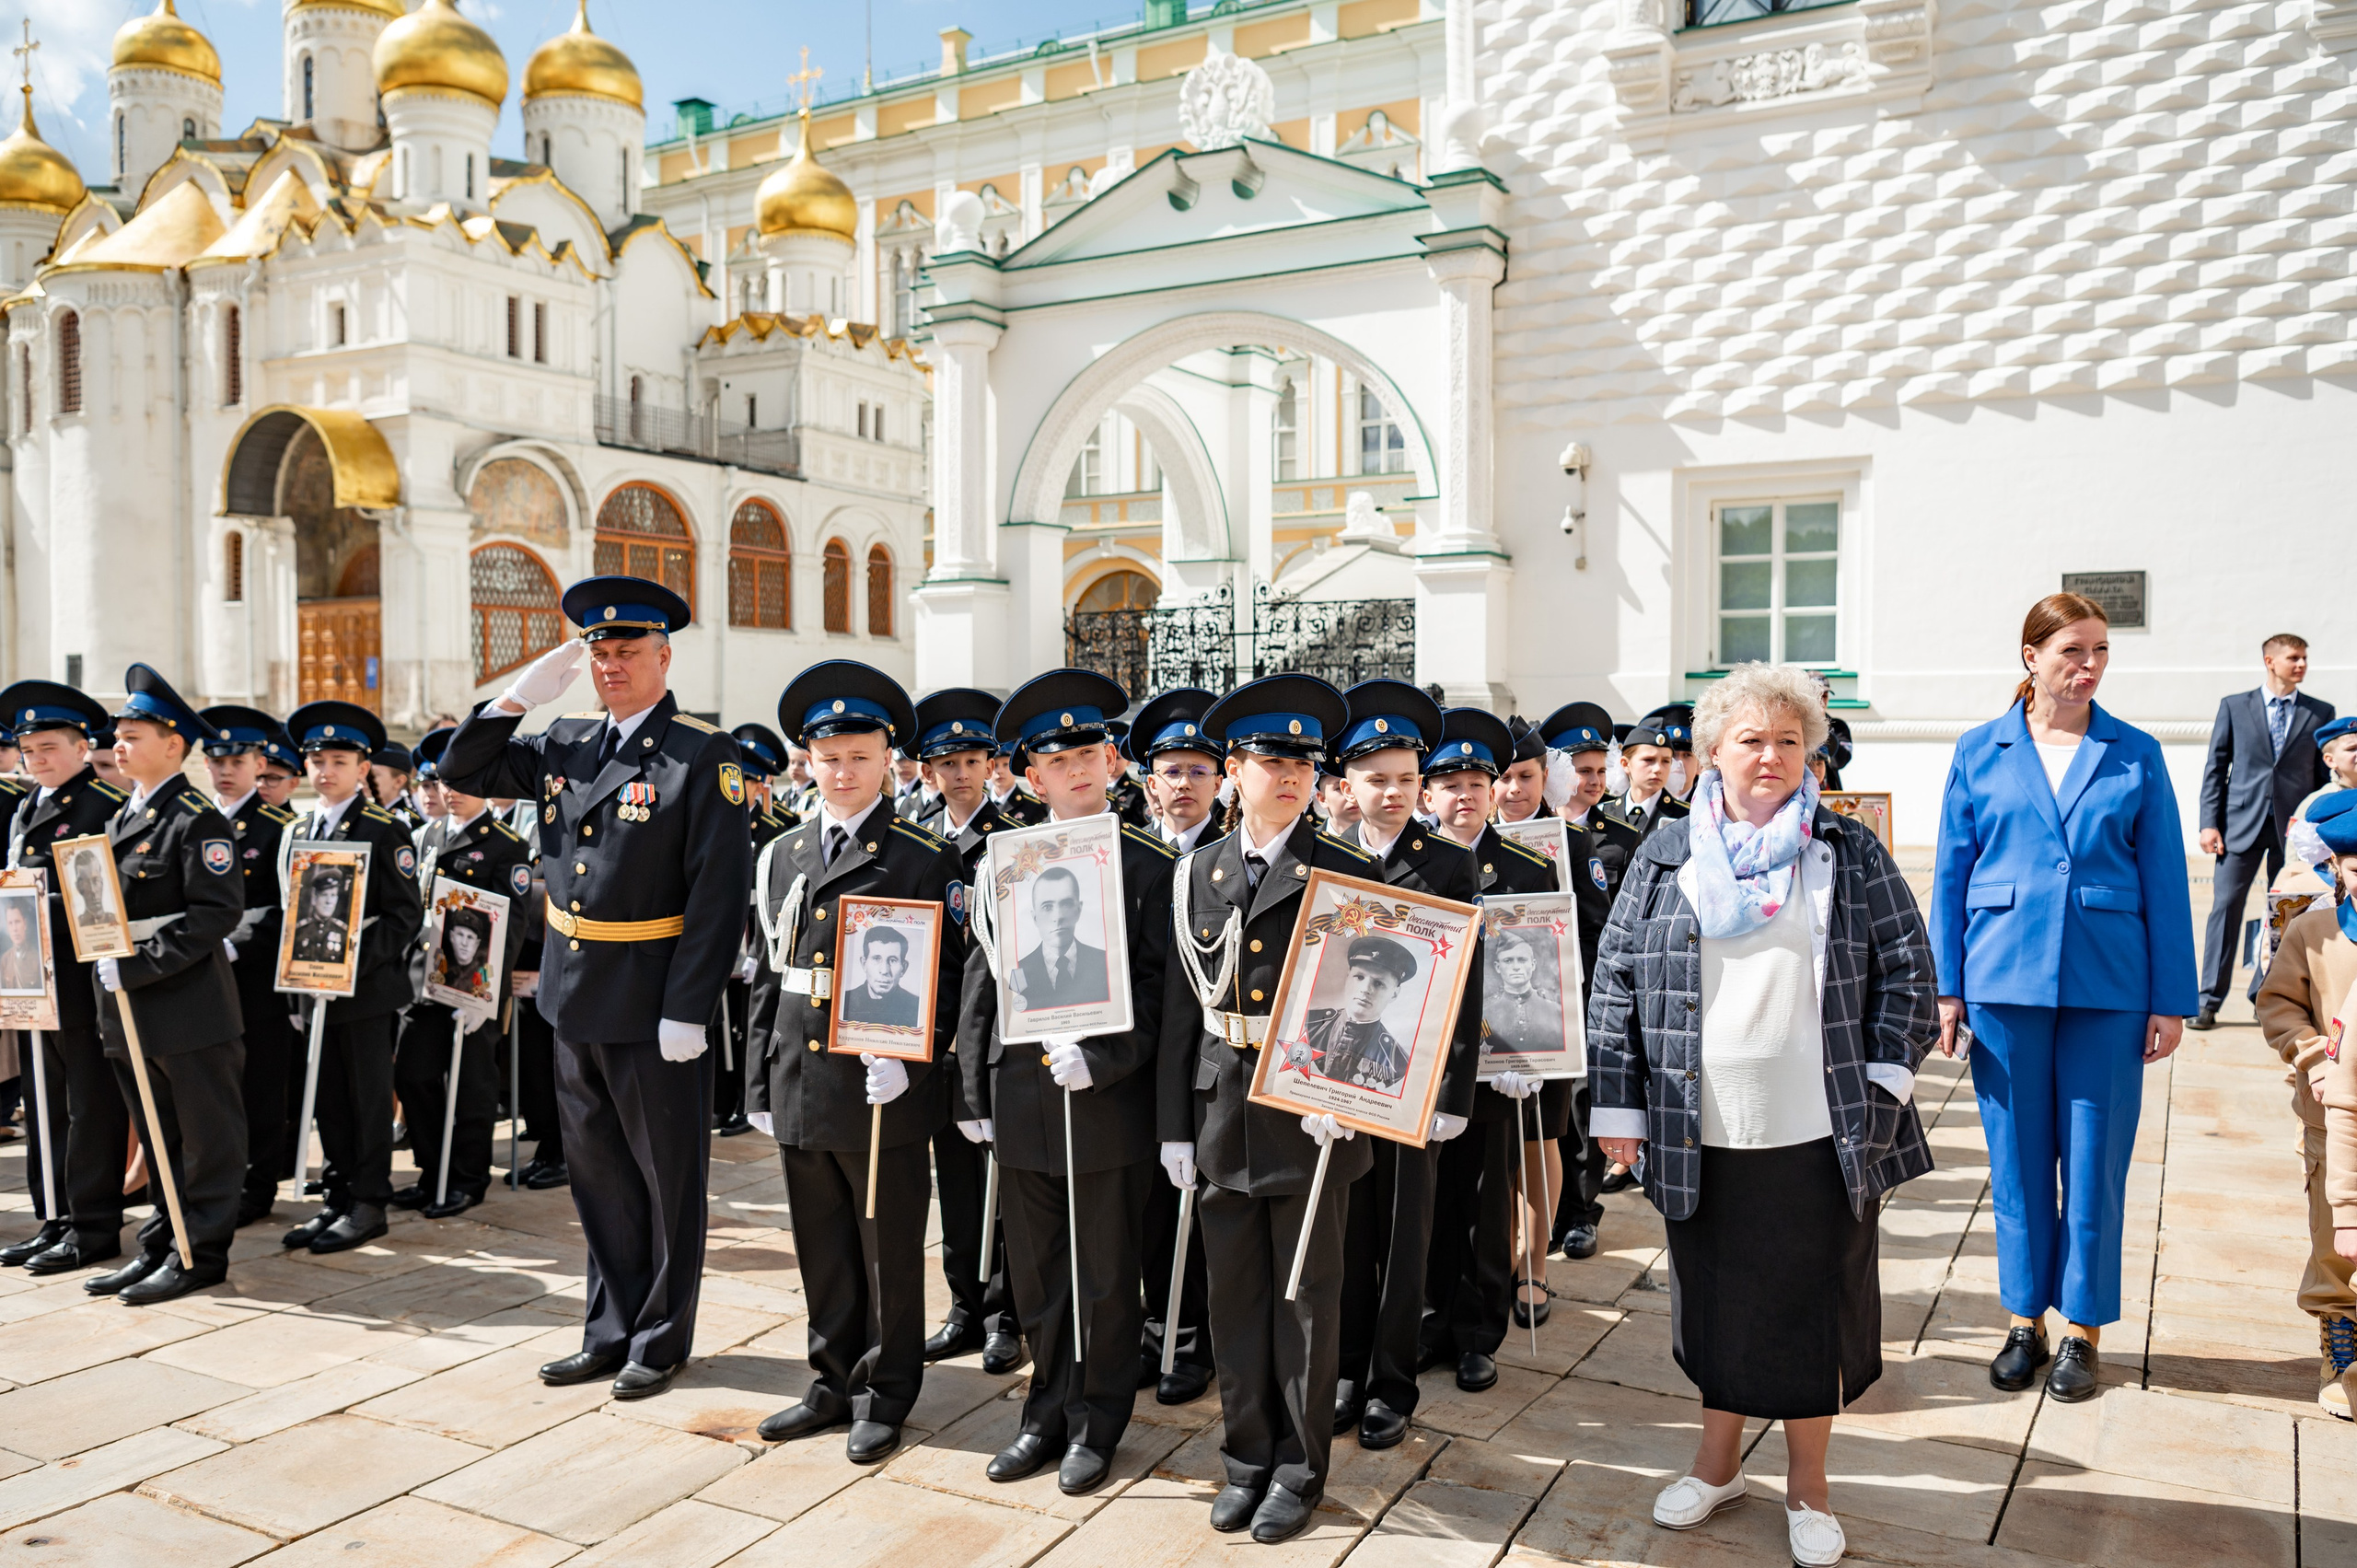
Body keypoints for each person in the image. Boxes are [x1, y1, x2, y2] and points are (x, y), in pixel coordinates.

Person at [1591, 661, 1937, 1568]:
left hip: (1820, 1129)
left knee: (1811, 1309)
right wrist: (1618, 1107)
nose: (1772, 755)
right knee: (1712, 1303)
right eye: (1751, 738)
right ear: (1710, 752)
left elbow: (1908, 969)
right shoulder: (1663, 856)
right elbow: (1616, 984)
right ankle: (1715, 1465)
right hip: (1697, 1126)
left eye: (1791, 739)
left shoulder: (1847, 849)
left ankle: (1808, 1487)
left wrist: (1881, 1087)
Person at [442, 575, 753, 1401]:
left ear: (663, 655)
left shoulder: (700, 752)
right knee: (599, 1175)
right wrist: (516, 697)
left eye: (626, 652)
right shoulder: (565, 739)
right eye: (597, 652)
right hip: (573, 993)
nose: (610, 665)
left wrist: (690, 1007)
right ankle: (607, 1328)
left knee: (665, 1180)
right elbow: (461, 764)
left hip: (653, 1001)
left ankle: (659, 1336)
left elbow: (718, 895)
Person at [1932, 592, 2198, 1404]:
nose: (2088, 666)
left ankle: (2082, 1328)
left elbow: (2164, 876)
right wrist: (1948, 986)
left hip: (2108, 985)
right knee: (2014, 1165)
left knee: (2093, 1165)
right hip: (2003, 981)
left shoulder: (2136, 752)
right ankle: (2024, 1320)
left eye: (2101, 652)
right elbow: (1950, 872)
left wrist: (2170, 997)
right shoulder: (1982, 750)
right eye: (2072, 651)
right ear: (2031, 656)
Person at [1158, 673, 1380, 1543]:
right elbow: (1187, 1006)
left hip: (1312, 1118)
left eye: (1301, 760)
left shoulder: (1349, 870)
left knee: (1308, 1301)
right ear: (1234, 769)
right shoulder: (1197, 873)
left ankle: (1298, 1467)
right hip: (1222, 1109)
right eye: (1267, 758)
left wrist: (1354, 1099)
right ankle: (1244, 1455)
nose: (1286, 773)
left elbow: (1389, 1002)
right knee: (1235, 1295)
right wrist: (1177, 1125)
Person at [957, 669, 1177, 1496]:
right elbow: (983, 974)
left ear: (1113, 762)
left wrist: (1110, 1060)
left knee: (1107, 1273)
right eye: (1058, 759)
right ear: (1031, 775)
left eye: (1089, 752)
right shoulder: (1005, 860)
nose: (1077, 768)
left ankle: (1097, 1422)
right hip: (1022, 1092)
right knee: (1038, 1270)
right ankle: (1043, 1411)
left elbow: (1161, 991)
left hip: (1107, 1098)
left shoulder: (1148, 867)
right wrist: (972, 1089)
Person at [745, 661, 962, 1462]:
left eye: (860, 756)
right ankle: (832, 1378)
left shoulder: (919, 855)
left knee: (888, 1247)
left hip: (881, 1079)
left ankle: (887, 1387)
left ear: (887, 760)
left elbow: (949, 975)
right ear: (809, 760)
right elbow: (771, 967)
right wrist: (758, 1077)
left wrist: (921, 1059)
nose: (843, 771)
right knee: (822, 1243)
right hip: (803, 1075)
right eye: (829, 757)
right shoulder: (785, 852)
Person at [1326, 679, 1480, 1453]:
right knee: (1345, 1232)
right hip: (1335, 1079)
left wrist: (1454, 1087)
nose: (1392, 793)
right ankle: (1347, 1372)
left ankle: (1392, 1383)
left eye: (1406, 779)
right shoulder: (1323, 861)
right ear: (1346, 785)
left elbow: (1465, 984)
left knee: (1402, 1230)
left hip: (1411, 1081)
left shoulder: (1449, 867)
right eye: (1376, 778)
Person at [83, 666, 251, 1306]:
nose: (118, 745)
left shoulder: (194, 817)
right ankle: (162, 1239)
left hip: (186, 1007)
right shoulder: (128, 812)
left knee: (206, 1138)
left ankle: (200, 1252)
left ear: (174, 744)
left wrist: (136, 964)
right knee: (158, 1135)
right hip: (129, 1008)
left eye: (132, 735)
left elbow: (215, 913)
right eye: (117, 735)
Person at [1420, 708, 1563, 1353]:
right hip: (1424, 1063)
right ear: (1430, 793)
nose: (1467, 796)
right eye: (1451, 784)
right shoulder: (1413, 864)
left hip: (1496, 1066)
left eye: (1478, 783)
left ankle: (1478, 1332)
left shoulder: (1527, 868)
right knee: (1426, 1199)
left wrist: (1528, 1055)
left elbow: (1548, 968)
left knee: (1485, 1196)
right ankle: (1426, 1319)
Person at [901, 687, 1025, 1376]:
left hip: (997, 1036)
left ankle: (1009, 1313)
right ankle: (963, 1305)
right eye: (945, 763)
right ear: (928, 771)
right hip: (933, 1041)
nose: (958, 774)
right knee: (953, 1179)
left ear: (991, 764)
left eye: (970, 760)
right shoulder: (917, 840)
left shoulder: (1017, 839)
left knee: (1001, 1182)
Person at [276, 701, 425, 1257]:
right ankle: (337, 1197)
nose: (325, 771)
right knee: (328, 1098)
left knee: (364, 1100)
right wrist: (298, 983)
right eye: (317, 760)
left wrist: (348, 960)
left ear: (364, 768)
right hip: (313, 989)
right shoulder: (300, 828)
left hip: (363, 991)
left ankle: (369, 1202)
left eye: (339, 760)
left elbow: (404, 915)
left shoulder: (384, 830)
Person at [0, 682, 133, 1276]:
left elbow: (101, 901)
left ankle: (93, 1225)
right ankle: (53, 1216)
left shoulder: (101, 805)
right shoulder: (29, 805)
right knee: (45, 1102)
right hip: (32, 980)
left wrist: (31, 904)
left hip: (80, 982)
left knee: (88, 1105)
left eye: (49, 746)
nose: (37, 759)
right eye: (28, 749)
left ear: (83, 747)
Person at [1125, 687, 1225, 1406]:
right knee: (1148, 1210)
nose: (1183, 784)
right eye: (1171, 770)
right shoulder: (1125, 852)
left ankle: (1197, 1341)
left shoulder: (1229, 858)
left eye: (1197, 769)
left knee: (1207, 1206)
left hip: (1205, 1065)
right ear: (1148, 780)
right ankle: (1157, 1326)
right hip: (1130, 1060)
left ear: (1220, 780)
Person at [392, 726, 534, 1220]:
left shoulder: (504, 845)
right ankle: (432, 1172)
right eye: (438, 780)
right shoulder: (425, 835)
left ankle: (467, 1179)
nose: (448, 791)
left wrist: (485, 995)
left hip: (474, 986)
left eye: (460, 779)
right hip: (423, 979)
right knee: (414, 1077)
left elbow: (512, 924)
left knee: (471, 1084)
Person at [2255, 795, 2357, 1418]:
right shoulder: (2314, 931)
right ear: (2338, 868)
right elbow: (2277, 1005)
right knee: (2335, 1236)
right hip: (2329, 1114)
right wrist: (2314, 1055)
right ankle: (2339, 1338)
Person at [1530, 702, 1638, 1257]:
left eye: (1601, 770)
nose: (1593, 781)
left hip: (1583, 989)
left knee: (1580, 1103)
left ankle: (1579, 1211)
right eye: (1583, 769)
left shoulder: (1614, 838)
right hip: (1527, 991)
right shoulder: (1526, 832)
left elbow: (1607, 927)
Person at [2195, 634, 2337, 1029]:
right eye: (2294, 658)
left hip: (2294, 832)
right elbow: (2215, 768)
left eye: (2305, 658)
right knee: (2225, 910)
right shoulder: (2234, 706)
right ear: (2269, 661)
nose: (2302, 665)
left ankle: (2266, 995)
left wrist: (2320, 828)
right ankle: (2208, 1000)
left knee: (2287, 913)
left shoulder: (2320, 712)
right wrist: (2209, 823)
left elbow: (2321, 776)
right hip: (2240, 824)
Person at [197, 704, 301, 1228]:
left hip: (255, 978)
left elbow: (287, 907)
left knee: (260, 1084)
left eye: (237, 758)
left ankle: (257, 1186)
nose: (225, 769)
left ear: (259, 762)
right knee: (210, 1085)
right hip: (199, 976)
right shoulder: (196, 819)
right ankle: (216, 1180)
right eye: (215, 758)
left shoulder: (280, 827)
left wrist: (233, 945)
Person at [1605, 710, 1690, 842]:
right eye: (1649, 760)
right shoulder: (1604, 813)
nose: (1658, 769)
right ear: (1625, 764)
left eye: (1666, 761)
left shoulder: (1687, 817)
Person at [371, 743, 425, 830]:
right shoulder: (366, 811)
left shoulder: (408, 822)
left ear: (398, 781)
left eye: (375, 774)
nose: (365, 779)